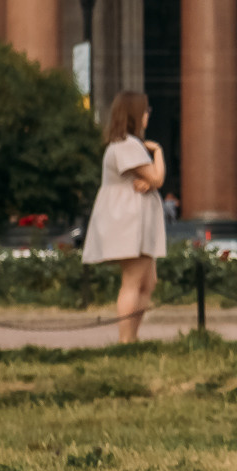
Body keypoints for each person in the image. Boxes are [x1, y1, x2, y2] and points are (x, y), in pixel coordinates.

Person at [82, 91, 165, 345]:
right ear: (134, 114)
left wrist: (148, 182)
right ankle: (126, 341)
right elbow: (157, 178)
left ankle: (131, 338)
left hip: (131, 219)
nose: (147, 114)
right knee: (132, 282)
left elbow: (147, 180)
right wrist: (158, 151)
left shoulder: (124, 145)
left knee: (147, 282)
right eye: (145, 110)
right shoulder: (128, 145)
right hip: (129, 222)